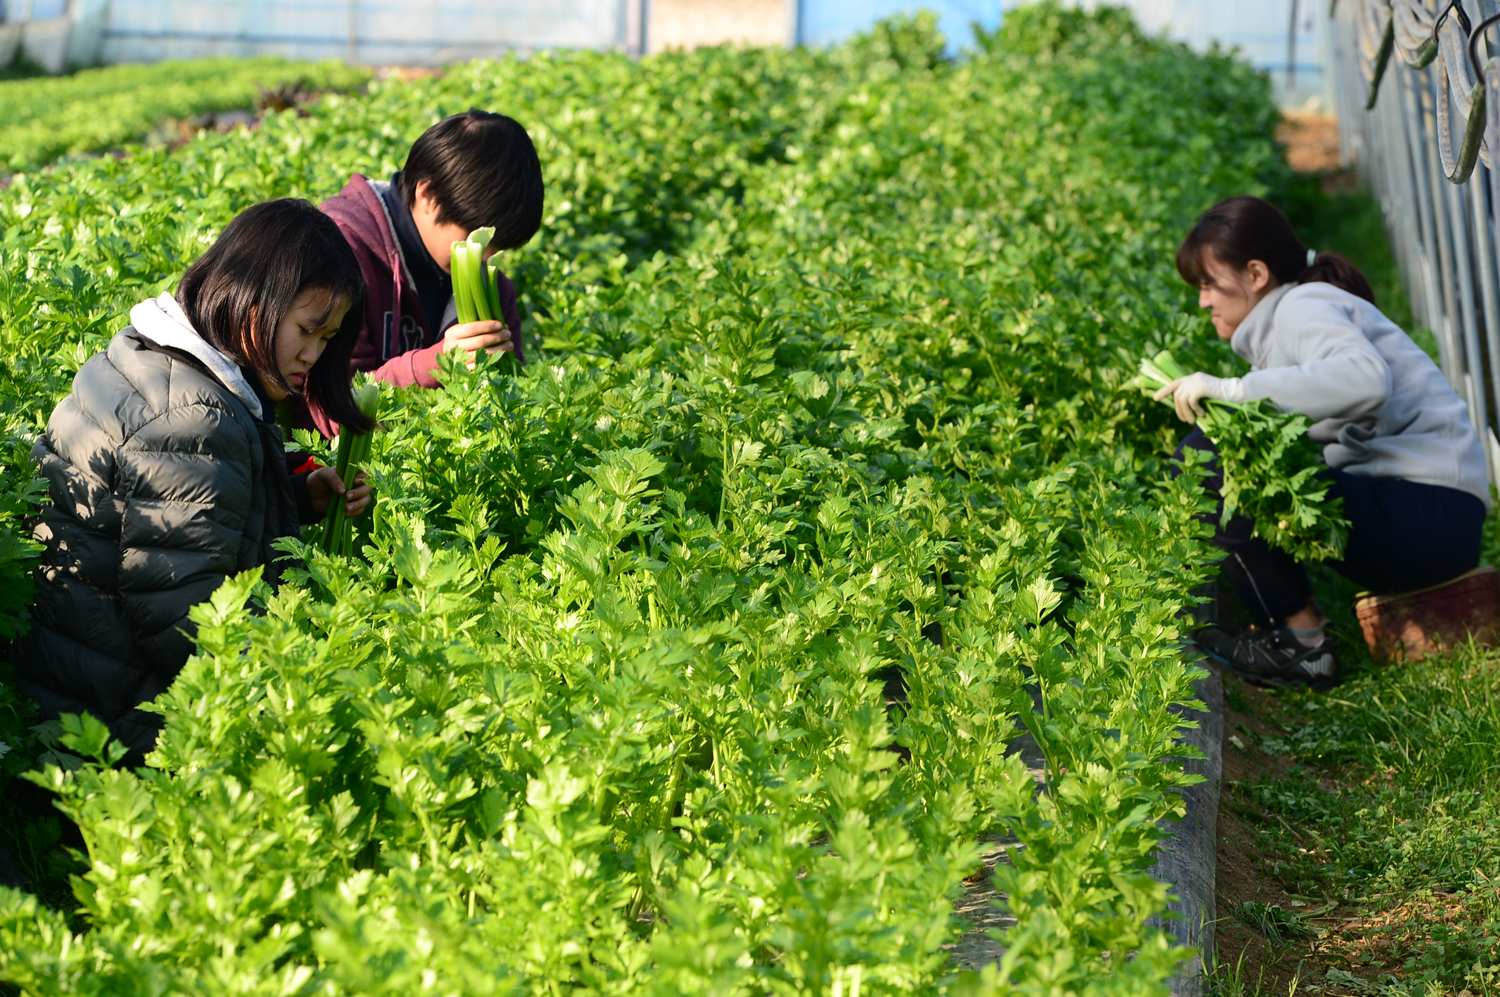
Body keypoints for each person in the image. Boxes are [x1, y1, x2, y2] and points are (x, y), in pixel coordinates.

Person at [14, 198, 377, 763]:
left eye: (328, 338)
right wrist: (295, 684)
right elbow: (185, 620)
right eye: (308, 330)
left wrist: (297, 497)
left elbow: (178, 510)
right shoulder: (191, 418)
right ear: (253, 300)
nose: (313, 353)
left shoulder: (153, 357)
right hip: (116, 722)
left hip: (74, 680)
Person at [1158, 195, 1489, 690]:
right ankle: (1297, 634)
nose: (1203, 301)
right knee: (1222, 448)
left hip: (1428, 515)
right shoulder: (1291, 319)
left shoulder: (1301, 307)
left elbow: (1365, 379)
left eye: (1209, 283)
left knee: (1209, 456)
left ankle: (1302, 646)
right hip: (1436, 520)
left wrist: (1232, 393)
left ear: (1255, 274)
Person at [310, 109, 544, 433]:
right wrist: (438, 363)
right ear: (428, 195)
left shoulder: (493, 290)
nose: (484, 261)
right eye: (476, 240)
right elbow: (328, 413)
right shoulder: (341, 256)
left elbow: (512, 407)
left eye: (496, 247)